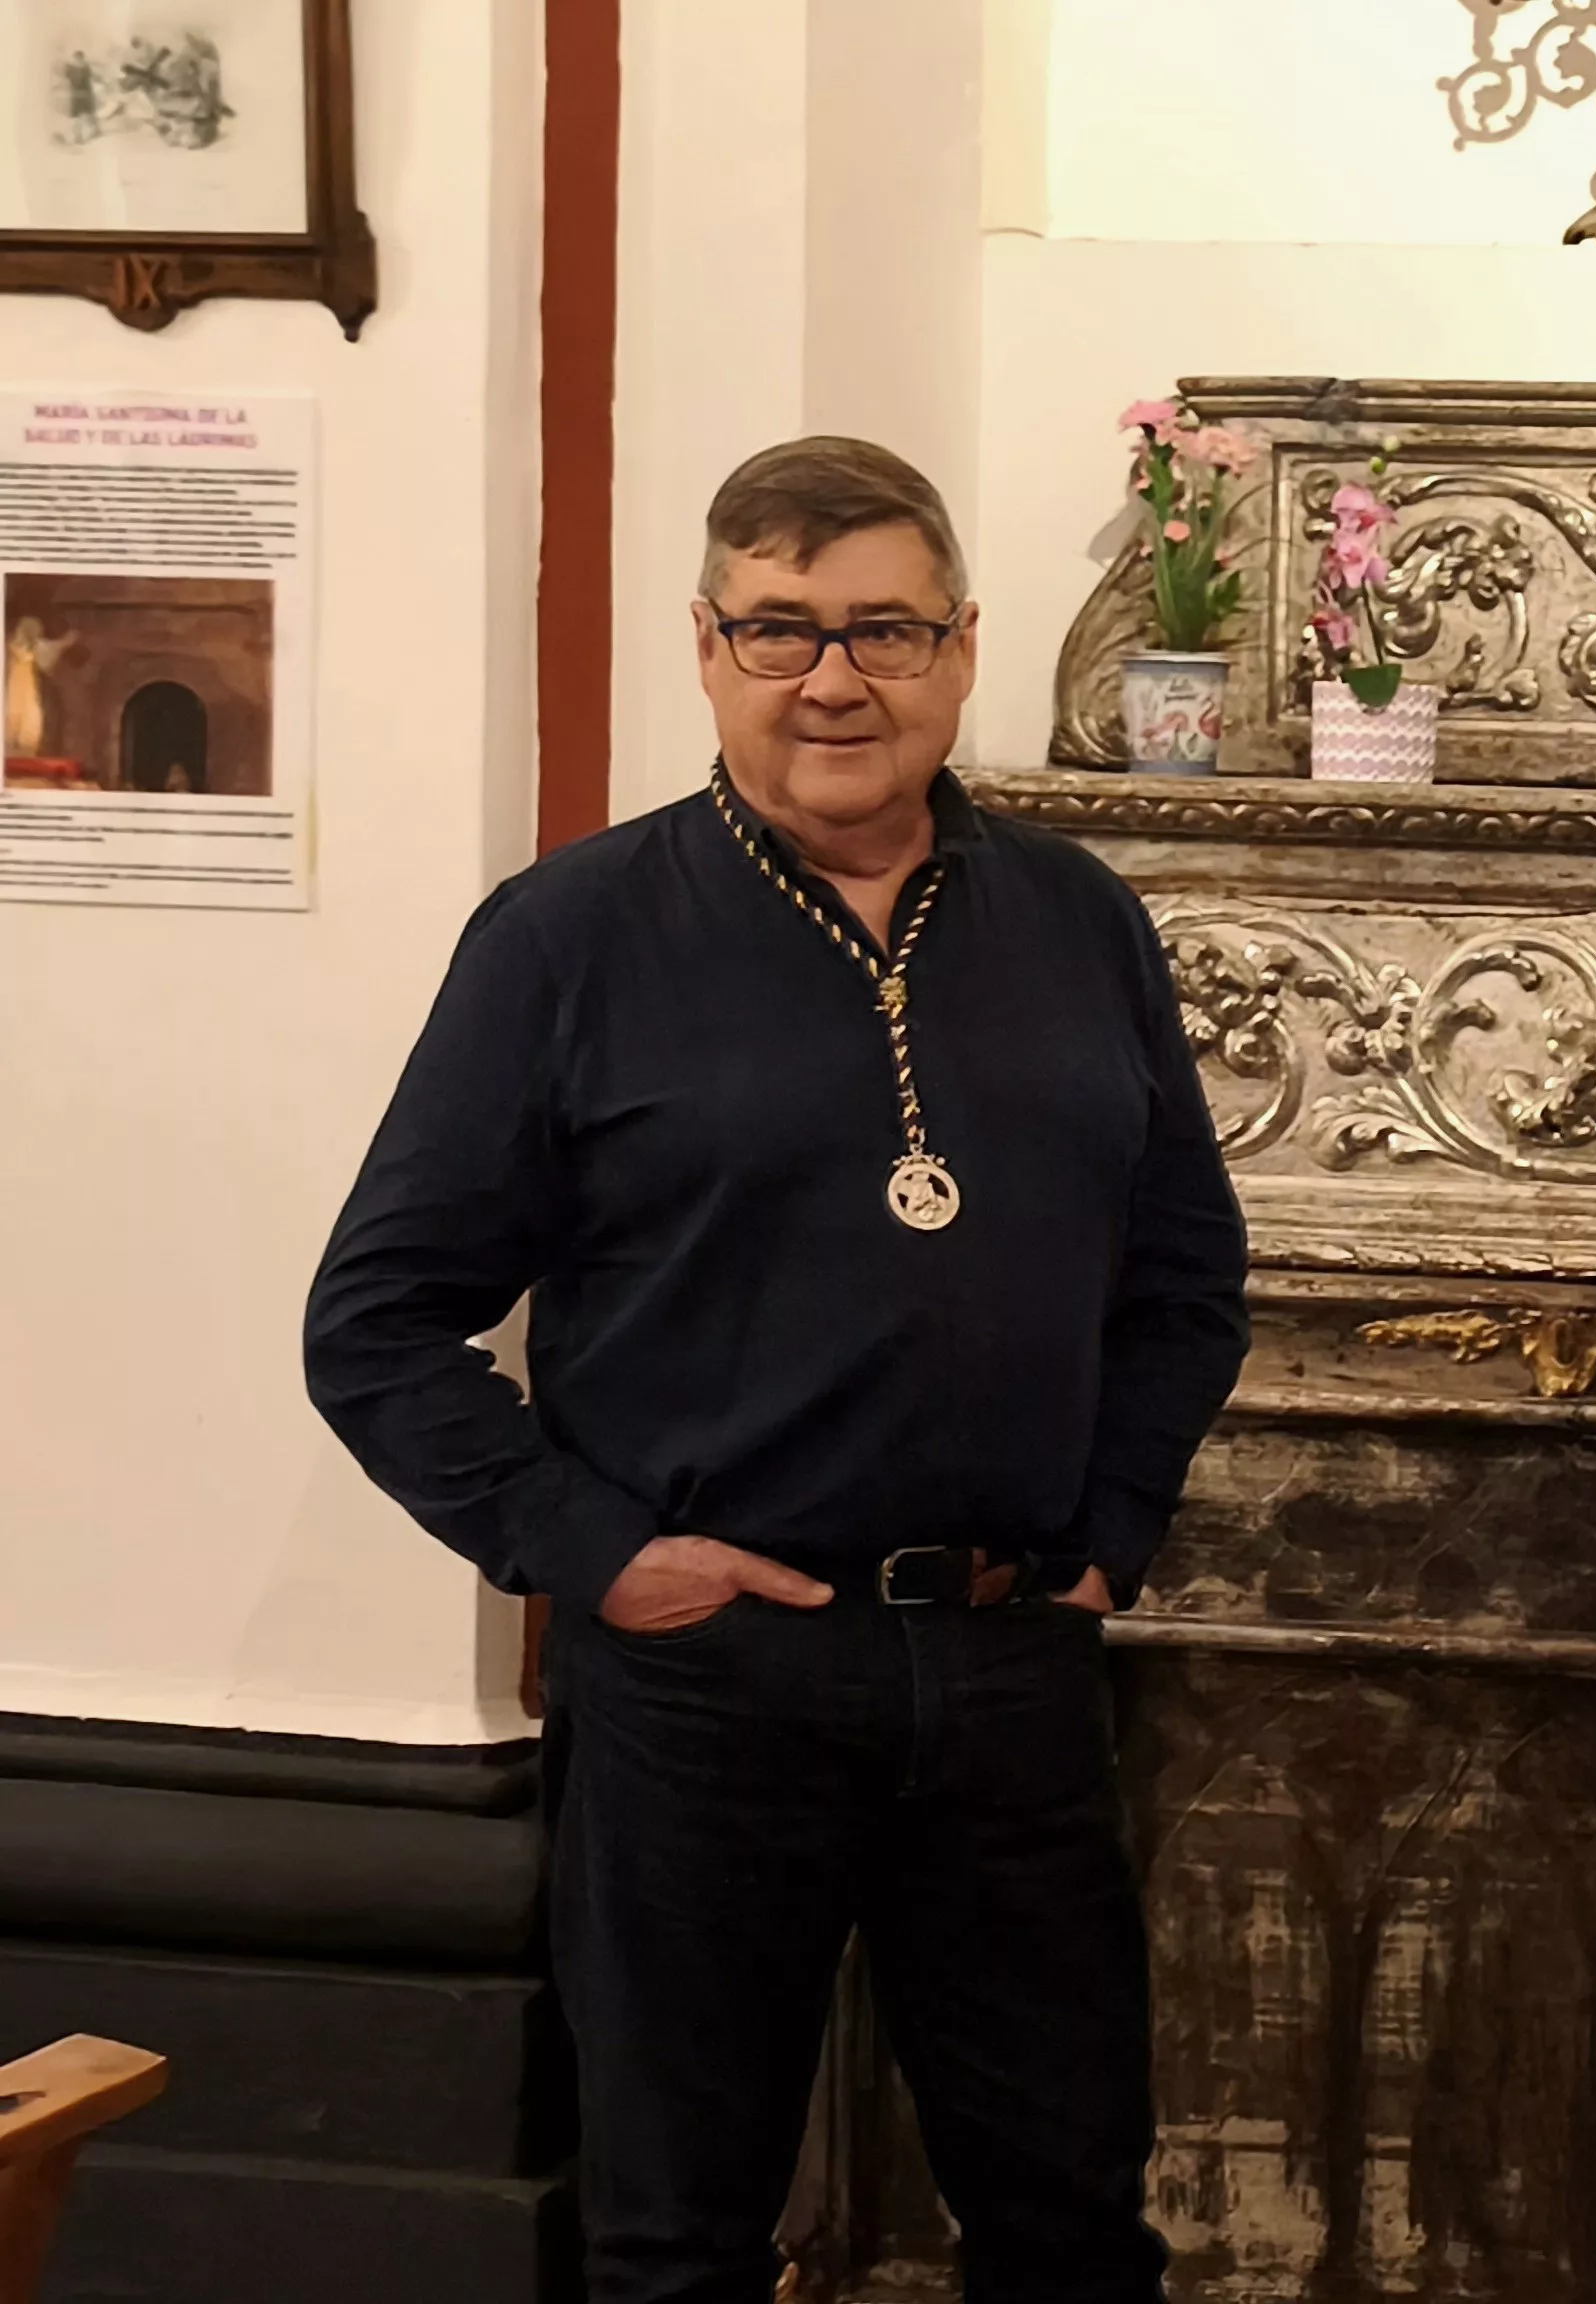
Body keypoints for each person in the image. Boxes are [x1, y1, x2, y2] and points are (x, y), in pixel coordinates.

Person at [305, 436, 1249, 2304]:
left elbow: (1186, 1273)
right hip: (706, 1688)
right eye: (781, 631)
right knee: (677, 2240)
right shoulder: (569, 937)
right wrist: (596, 1553)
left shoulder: (1080, 922)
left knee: (1071, 2223)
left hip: (1005, 1667)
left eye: (885, 629)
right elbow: (378, 1319)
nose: (835, 679)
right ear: (709, 648)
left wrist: (1110, 1529)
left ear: (964, 649)